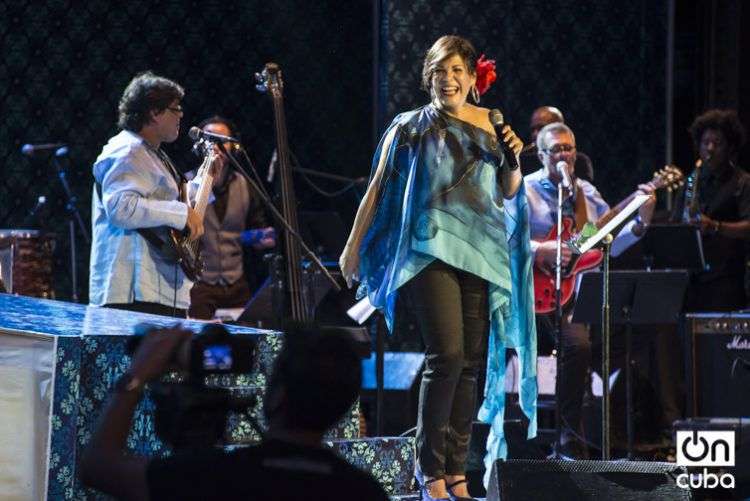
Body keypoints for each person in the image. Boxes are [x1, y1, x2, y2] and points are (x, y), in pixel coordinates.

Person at [340, 35, 537, 500]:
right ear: (427, 77)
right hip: (428, 254)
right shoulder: (410, 127)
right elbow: (377, 189)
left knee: (470, 365)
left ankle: (457, 473)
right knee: (446, 355)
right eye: (438, 71)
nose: (447, 80)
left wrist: (515, 156)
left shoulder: (492, 124)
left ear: (471, 79)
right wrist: (353, 248)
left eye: (456, 72)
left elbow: (509, 190)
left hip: (481, 252)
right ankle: (430, 473)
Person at [79, 323, 389, 501]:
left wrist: (135, 378)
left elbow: (97, 467)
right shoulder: (364, 493)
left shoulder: (214, 477)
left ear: (277, 395)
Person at [524, 122, 656, 458]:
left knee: (579, 345)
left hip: (569, 295)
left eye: (569, 148)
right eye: (556, 149)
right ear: (541, 155)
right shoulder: (524, 190)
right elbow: (503, 241)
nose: (564, 154)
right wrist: (539, 249)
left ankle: (570, 435)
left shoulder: (587, 194)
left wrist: (640, 223)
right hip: (526, 290)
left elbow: (605, 244)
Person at [89, 71, 218, 317]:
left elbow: (173, 203)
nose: (181, 115)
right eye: (175, 108)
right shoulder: (127, 150)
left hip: (156, 289)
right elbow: (120, 208)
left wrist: (206, 179)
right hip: (133, 292)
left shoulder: (152, 154)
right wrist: (180, 212)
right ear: (153, 112)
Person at [187, 116, 276, 320]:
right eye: (210, 140)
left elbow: (257, 227)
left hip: (236, 283)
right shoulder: (188, 184)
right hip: (199, 285)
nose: (217, 146)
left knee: (244, 339)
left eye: (222, 140)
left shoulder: (245, 184)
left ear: (233, 146)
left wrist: (262, 237)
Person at [671, 108, 750, 311]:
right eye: (705, 143)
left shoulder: (742, 182)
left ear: (731, 147)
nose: (710, 149)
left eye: (718, 143)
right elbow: (675, 223)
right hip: (691, 281)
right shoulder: (693, 180)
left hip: (726, 280)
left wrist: (715, 226)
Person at [520, 106, 594, 182]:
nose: (535, 134)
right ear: (541, 157)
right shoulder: (522, 161)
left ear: (559, 128)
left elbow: (585, 190)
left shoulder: (579, 161)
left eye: (541, 127)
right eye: (533, 130)